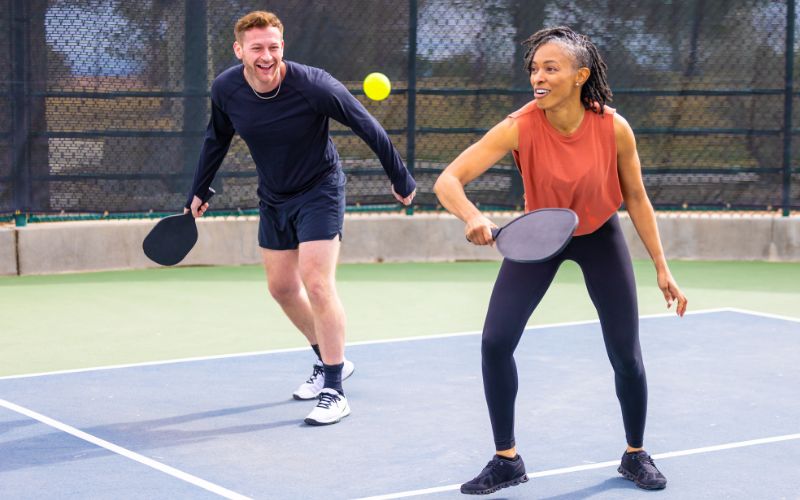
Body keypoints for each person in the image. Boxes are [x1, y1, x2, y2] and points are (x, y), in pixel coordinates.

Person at [433, 26, 687, 494]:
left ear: (580, 75)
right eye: (534, 68)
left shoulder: (613, 127)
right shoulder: (519, 125)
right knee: (495, 342)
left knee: (626, 355)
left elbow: (637, 198)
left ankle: (635, 454)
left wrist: (662, 267)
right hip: (541, 236)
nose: (539, 77)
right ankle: (506, 459)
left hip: (599, 235)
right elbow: (448, 180)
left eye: (551, 68)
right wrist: (471, 215)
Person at [185, 11, 416, 426]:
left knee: (317, 281)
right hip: (274, 196)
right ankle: (331, 361)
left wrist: (400, 177)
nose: (267, 56)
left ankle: (334, 390)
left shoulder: (314, 85)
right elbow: (216, 136)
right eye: (257, 48)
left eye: (274, 47)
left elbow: (367, 126)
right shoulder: (227, 88)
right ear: (239, 51)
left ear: (282, 48)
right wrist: (199, 188)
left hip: (320, 190)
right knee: (281, 288)